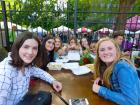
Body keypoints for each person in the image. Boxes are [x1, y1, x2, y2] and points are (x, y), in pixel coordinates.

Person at [0, 31, 62, 105]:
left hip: (23, 99)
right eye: (26, 47)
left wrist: (53, 81)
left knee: (47, 96)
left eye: (34, 48)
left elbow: (40, 72)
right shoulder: (5, 72)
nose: (30, 52)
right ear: (17, 47)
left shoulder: (26, 64)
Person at [92, 37, 140, 105]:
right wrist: (102, 77)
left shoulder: (122, 67)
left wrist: (100, 90)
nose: (106, 52)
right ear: (98, 55)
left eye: (110, 48)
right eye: (102, 50)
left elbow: (131, 102)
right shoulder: (108, 65)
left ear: (117, 50)